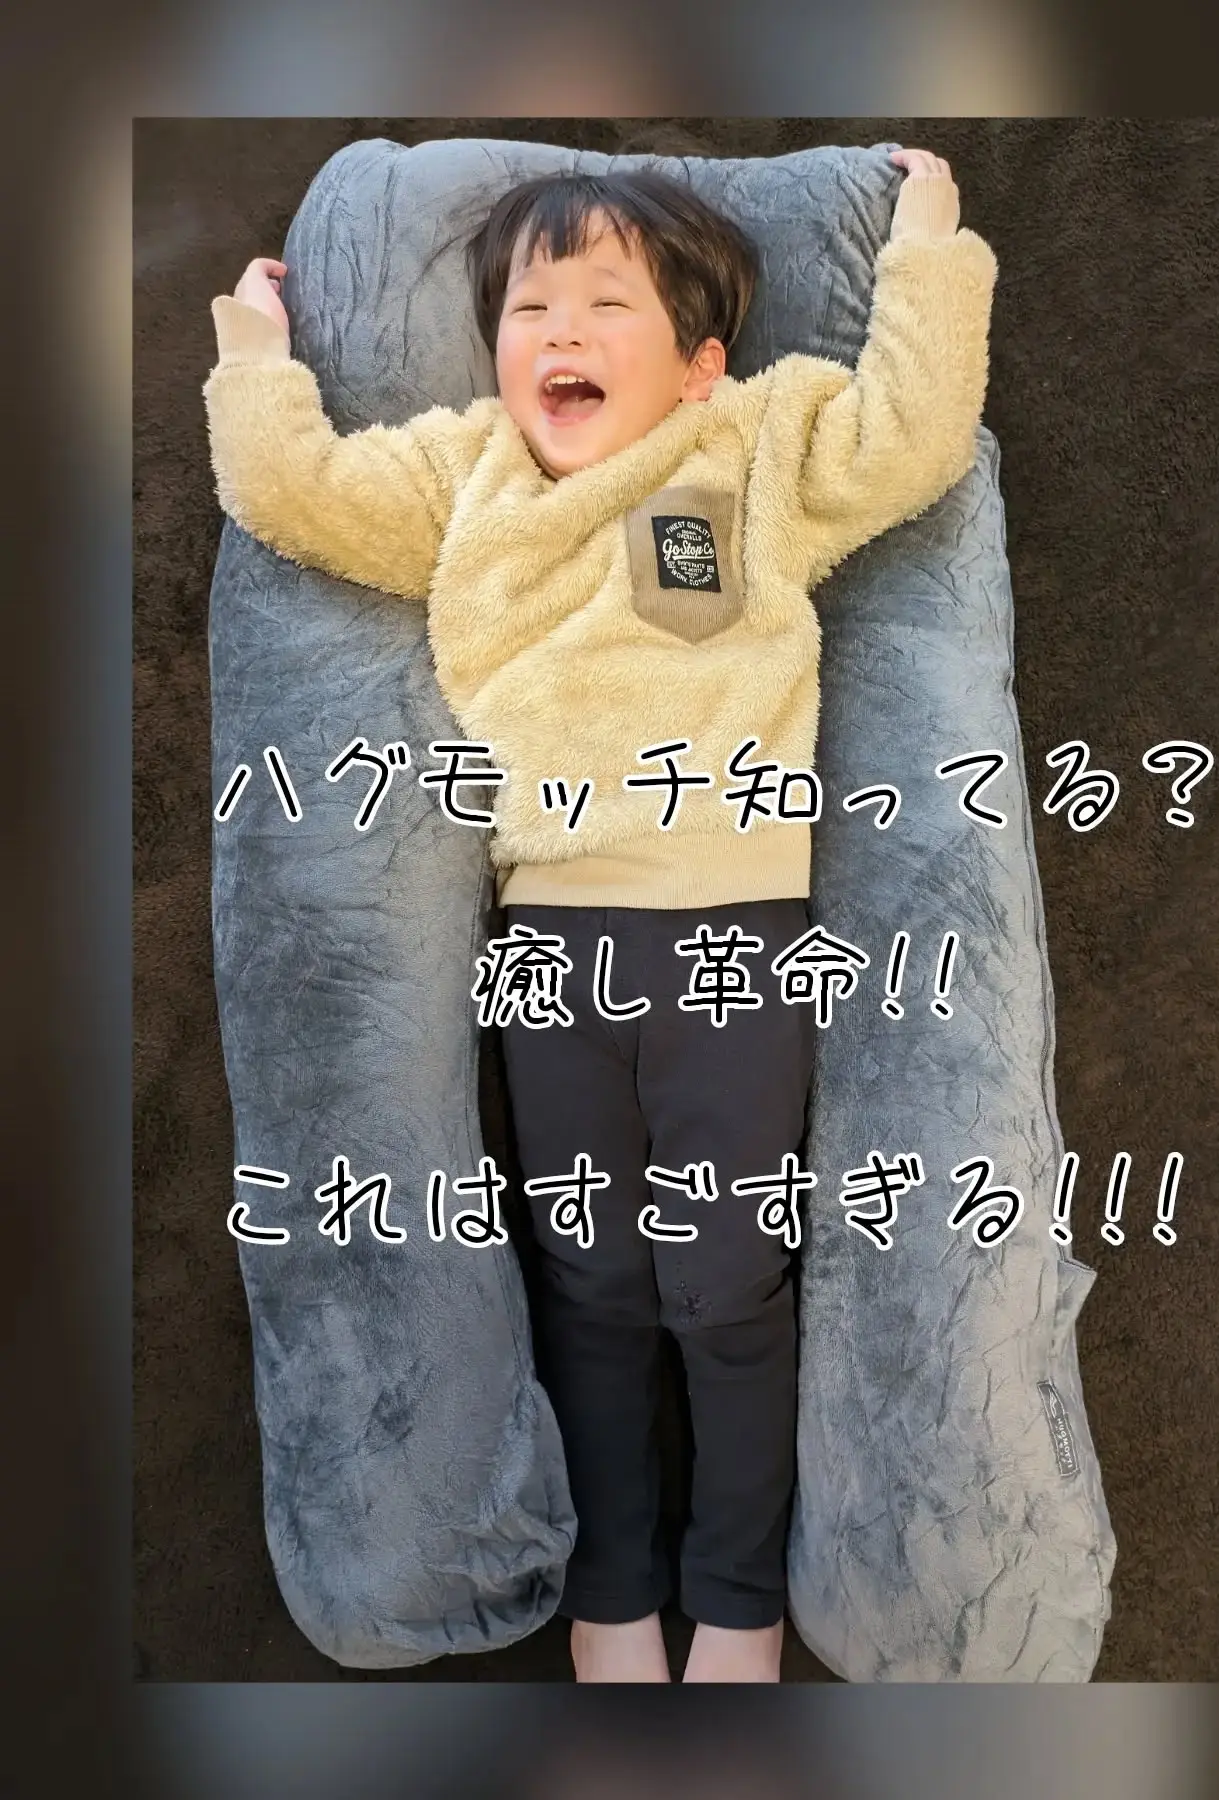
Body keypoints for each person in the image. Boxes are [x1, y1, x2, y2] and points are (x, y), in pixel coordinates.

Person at [203, 146, 997, 1682]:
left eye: (605, 303)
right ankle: (613, 1593)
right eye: (530, 307)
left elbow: (912, 430)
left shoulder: (753, 446)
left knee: (726, 1286)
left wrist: (928, 244)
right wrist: (254, 354)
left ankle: (740, 1602)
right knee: (593, 1283)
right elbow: (296, 496)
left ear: (700, 363)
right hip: (551, 949)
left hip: (732, 937)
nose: (559, 329)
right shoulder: (467, 478)